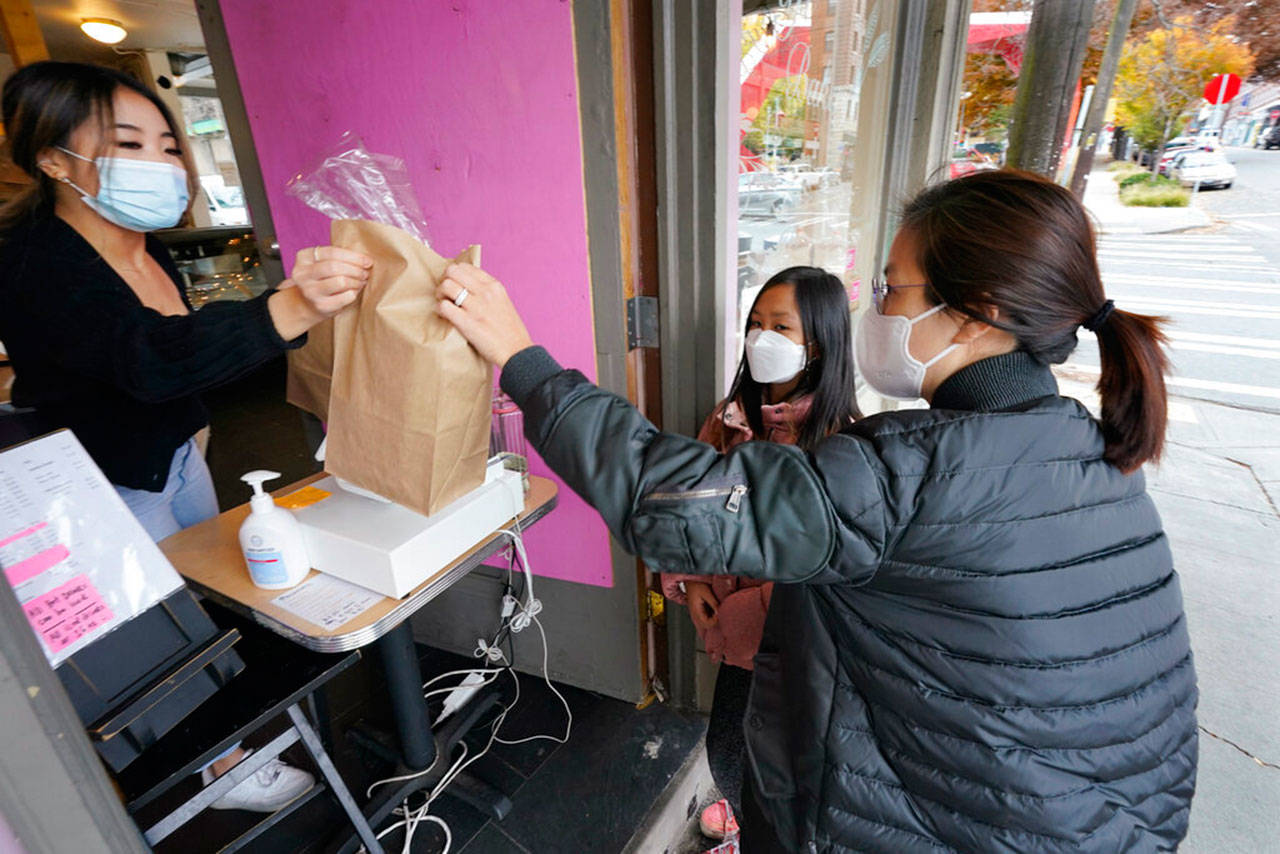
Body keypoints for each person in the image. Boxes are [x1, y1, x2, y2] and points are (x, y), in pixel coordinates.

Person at [436, 169, 1198, 852]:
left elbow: (662, 498)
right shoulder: (1093, 453)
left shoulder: (907, 471)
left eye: (890, 289)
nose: (876, 308)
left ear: (976, 315)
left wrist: (523, 361)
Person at [0, 61, 370, 813]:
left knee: (211, 600)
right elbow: (147, 359)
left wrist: (205, 411)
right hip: (100, 484)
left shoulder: (145, 243)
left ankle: (229, 741)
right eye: (127, 143)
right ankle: (221, 772)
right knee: (154, 639)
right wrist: (284, 310)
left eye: (168, 145)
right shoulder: (32, 262)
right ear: (52, 160)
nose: (161, 164)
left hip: (174, 455)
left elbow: (181, 356)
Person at [660, 266, 859, 844]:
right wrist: (692, 581)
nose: (760, 338)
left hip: (787, 651)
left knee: (775, 765)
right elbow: (687, 509)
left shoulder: (841, 445)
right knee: (727, 748)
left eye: (780, 326)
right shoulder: (729, 419)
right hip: (730, 636)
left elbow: (826, 574)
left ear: (818, 345)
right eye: (755, 323)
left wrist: (743, 619)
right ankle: (746, 815)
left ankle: (758, 827)